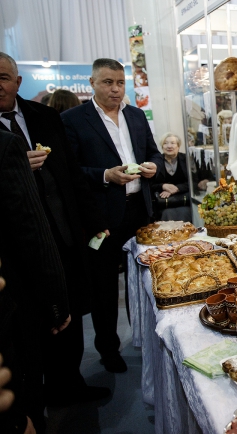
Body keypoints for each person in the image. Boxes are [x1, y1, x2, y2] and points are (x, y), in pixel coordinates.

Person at [0, 52, 110, 406]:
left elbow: (73, 176)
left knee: (72, 312)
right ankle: (35, 398)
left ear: (18, 83)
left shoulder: (44, 116)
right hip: (15, 248)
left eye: (3, 77)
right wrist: (15, 171)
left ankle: (71, 384)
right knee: (27, 324)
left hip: (63, 236)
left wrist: (95, 224)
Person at [61, 58, 162, 373]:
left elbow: (153, 152)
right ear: (92, 82)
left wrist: (154, 166)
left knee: (143, 280)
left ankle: (144, 338)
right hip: (100, 218)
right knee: (103, 285)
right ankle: (108, 350)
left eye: (120, 82)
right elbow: (70, 171)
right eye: (108, 82)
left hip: (139, 213)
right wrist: (105, 175)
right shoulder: (73, 120)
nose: (115, 89)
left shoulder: (135, 115)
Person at [0, 130, 71, 434]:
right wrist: (56, 303)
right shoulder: (5, 145)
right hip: (13, 299)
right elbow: (33, 230)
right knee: (23, 392)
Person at [151, 132, 192, 222]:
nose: (169, 146)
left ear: (178, 146)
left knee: (185, 213)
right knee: (167, 214)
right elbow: (150, 184)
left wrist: (176, 188)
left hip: (184, 200)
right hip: (164, 203)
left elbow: (194, 182)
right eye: (165, 143)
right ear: (162, 146)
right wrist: (163, 186)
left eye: (173, 143)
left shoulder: (187, 159)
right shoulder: (156, 162)